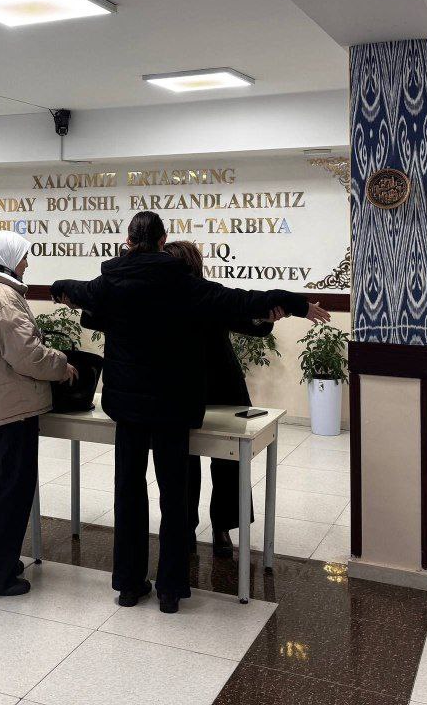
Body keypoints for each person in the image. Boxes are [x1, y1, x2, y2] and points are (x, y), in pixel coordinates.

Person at [52, 211, 329, 613]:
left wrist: (57, 289)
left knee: (127, 493)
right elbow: (245, 300)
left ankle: (129, 585)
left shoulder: (108, 282)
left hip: (128, 407)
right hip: (173, 406)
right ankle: (170, 590)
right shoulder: (186, 285)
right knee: (175, 496)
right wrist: (298, 304)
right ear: (163, 240)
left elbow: (72, 289)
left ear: (128, 240)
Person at [0, 231, 74, 596]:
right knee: (12, 492)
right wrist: (62, 365)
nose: (27, 263)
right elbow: (28, 355)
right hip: (13, 407)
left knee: (0, 487)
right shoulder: (3, 299)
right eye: (23, 256)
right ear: (8, 258)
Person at [165, 240, 294, 559]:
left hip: (222, 386)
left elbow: (249, 322)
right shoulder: (160, 298)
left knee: (228, 462)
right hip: (181, 388)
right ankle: (184, 528)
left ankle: (222, 527)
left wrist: (265, 317)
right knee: (182, 461)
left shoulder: (209, 294)